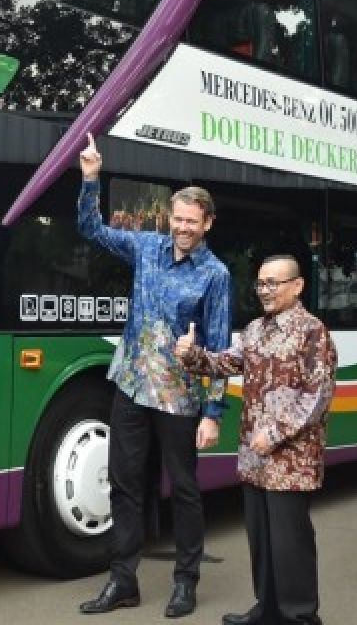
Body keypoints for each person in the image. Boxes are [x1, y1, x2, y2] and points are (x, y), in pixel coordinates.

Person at [76, 133, 231, 619]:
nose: (182, 229)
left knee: (183, 491)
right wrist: (90, 178)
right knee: (123, 485)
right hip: (131, 387)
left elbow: (222, 349)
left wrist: (212, 413)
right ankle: (122, 581)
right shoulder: (144, 247)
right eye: (177, 219)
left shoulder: (216, 275)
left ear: (207, 224)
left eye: (192, 222)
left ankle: (186, 581)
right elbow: (91, 229)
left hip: (180, 400)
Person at [174, 254, 336, 625]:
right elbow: (224, 364)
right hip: (254, 458)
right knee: (261, 540)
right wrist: (192, 355)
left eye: (273, 283)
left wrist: (276, 434)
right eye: (261, 283)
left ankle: (299, 617)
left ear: (297, 286)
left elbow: (317, 396)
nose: (265, 291)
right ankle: (266, 610)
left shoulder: (313, 332)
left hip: (290, 460)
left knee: (289, 543)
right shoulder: (254, 330)